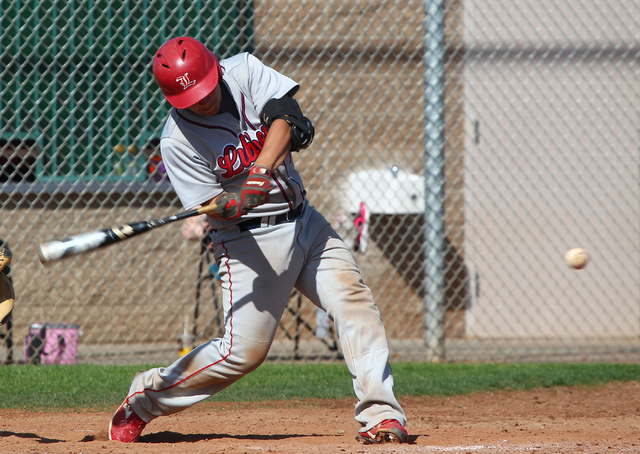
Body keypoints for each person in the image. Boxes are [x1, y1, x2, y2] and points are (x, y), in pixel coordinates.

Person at [108, 36, 408, 445]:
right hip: (249, 245)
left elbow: (285, 116)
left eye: (207, 88)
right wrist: (229, 205)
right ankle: (145, 398)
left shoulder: (245, 70)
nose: (204, 101)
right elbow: (212, 208)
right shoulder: (177, 142)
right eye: (192, 99)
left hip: (306, 221)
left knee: (353, 299)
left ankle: (381, 414)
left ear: (215, 70)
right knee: (242, 354)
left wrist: (259, 174)